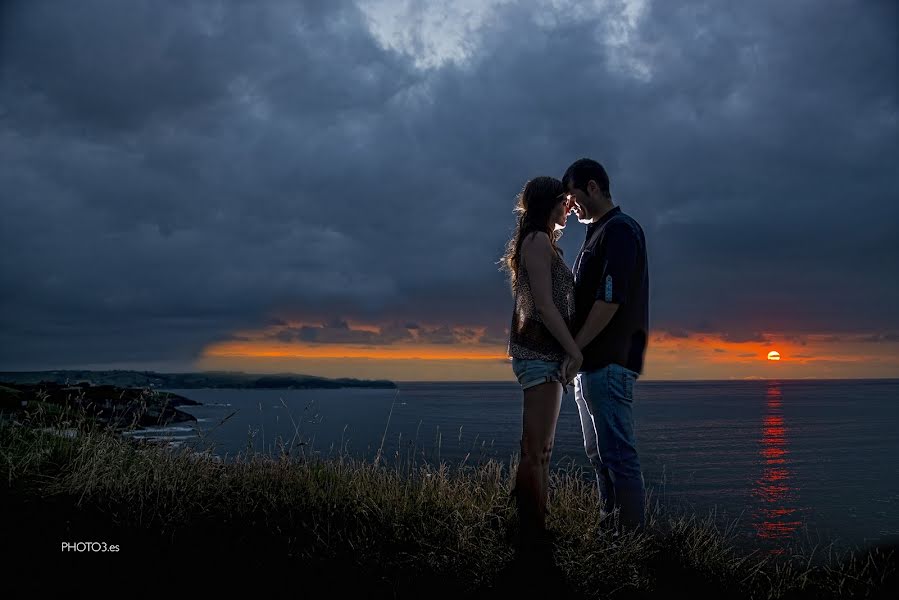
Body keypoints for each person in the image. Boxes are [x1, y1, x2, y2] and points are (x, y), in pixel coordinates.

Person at [561, 158, 650, 531]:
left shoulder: (620, 230)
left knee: (618, 456)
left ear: (593, 187)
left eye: (574, 196)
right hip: (590, 365)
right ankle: (608, 528)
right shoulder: (595, 233)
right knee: (599, 455)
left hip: (608, 360)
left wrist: (575, 347)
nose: (571, 205)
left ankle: (630, 539)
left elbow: (609, 299)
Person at [501, 176, 582, 548]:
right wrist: (574, 350)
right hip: (539, 356)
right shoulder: (536, 242)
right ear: (551, 202)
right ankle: (532, 534)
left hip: (543, 356)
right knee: (537, 451)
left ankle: (531, 525)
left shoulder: (543, 242)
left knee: (537, 450)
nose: (569, 207)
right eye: (565, 200)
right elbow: (546, 306)